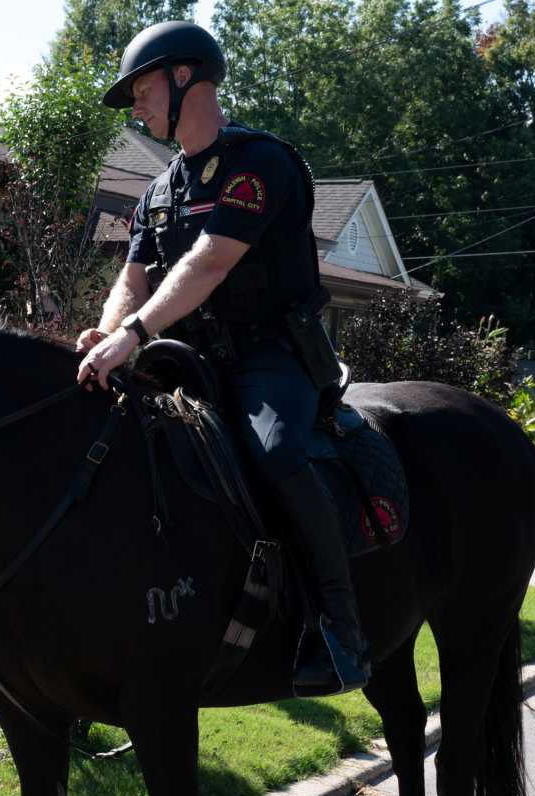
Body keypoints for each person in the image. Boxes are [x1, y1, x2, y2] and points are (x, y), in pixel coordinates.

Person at [75, 20, 372, 697]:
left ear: (186, 78)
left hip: (272, 360)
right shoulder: (158, 192)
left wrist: (136, 335)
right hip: (190, 361)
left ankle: (341, 630)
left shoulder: (258, 165)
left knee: (276, 456)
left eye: (142, 90)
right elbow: (134, 277)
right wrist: (106, 332)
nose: (135, 106)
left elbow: (209, 263)